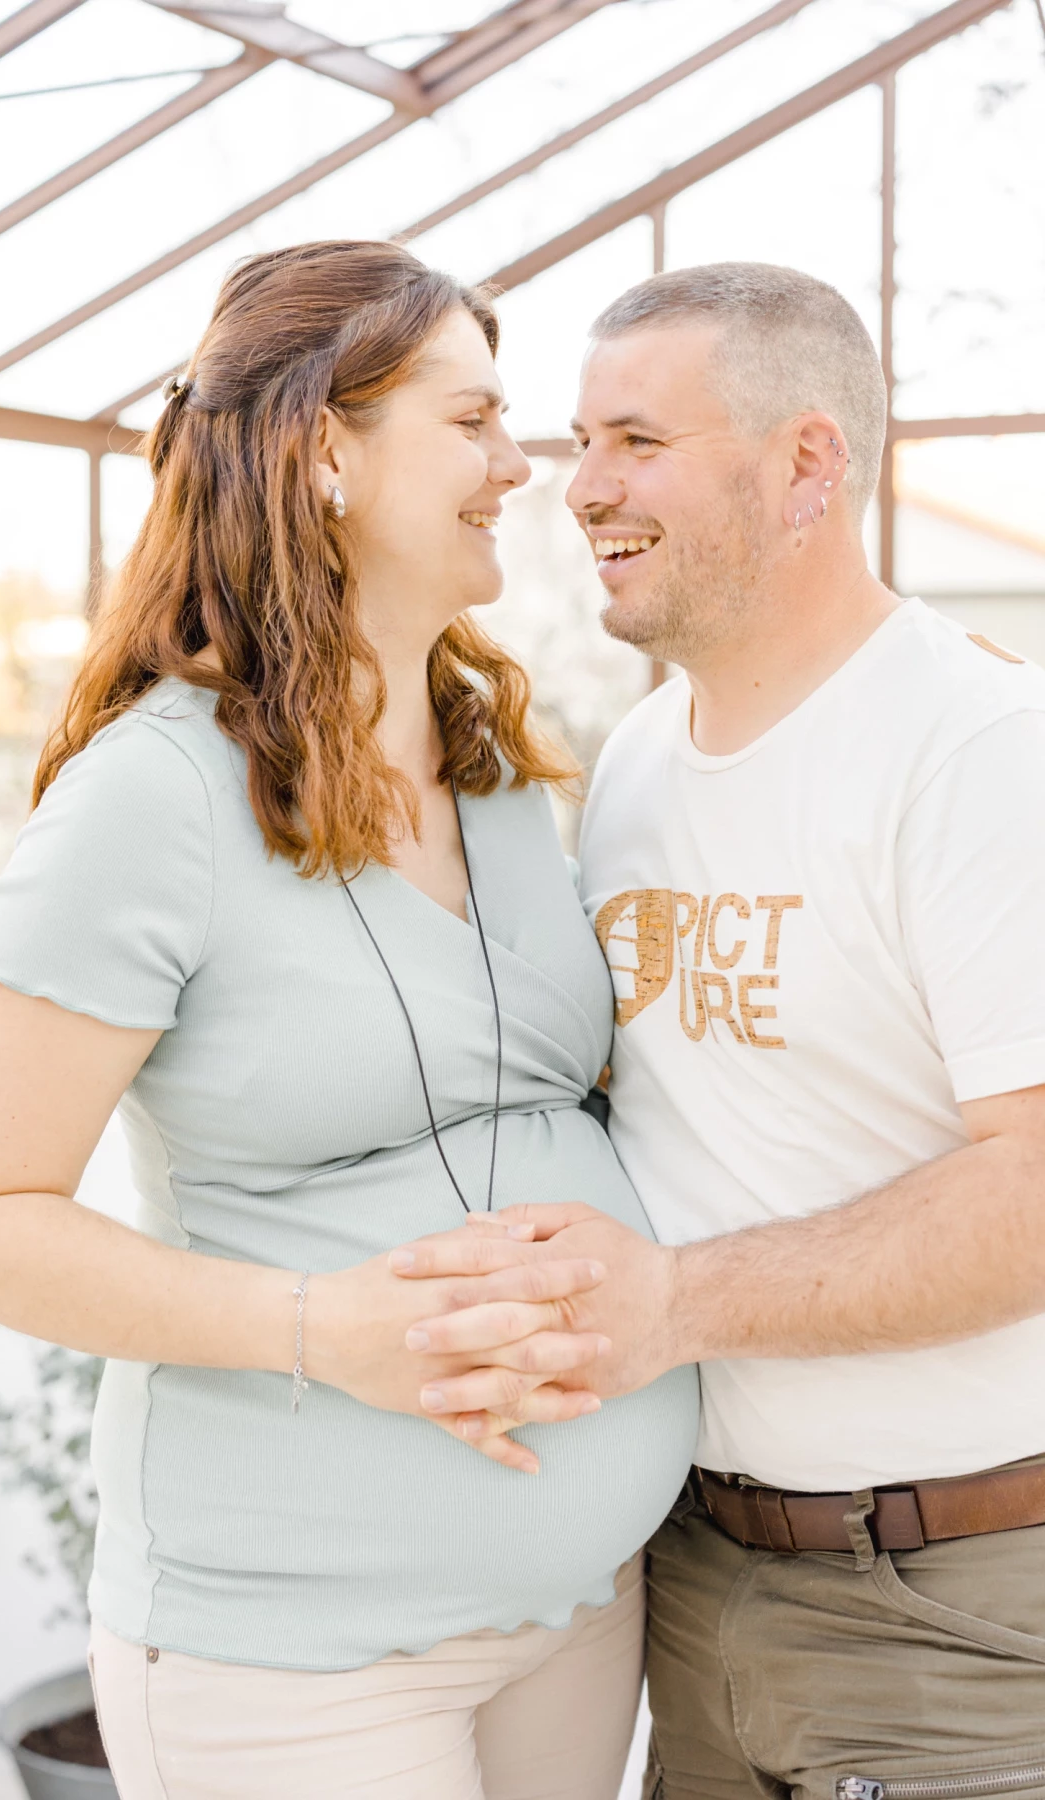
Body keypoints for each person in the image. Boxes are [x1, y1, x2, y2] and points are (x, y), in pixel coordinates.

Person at [0, 240, 698, 1800]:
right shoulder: (153, 799)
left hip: (582, 1606)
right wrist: (323, 1331)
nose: (519, 466)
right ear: (324, 452)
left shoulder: (495, 770)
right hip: (294, 1653)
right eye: (471, 421)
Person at [390, 263, 1045, 1799]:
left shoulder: (981, 750)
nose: (580, 489)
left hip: (946, 1609)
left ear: (806, 463)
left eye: (638, 441)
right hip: (687, 1582)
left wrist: (671, 1303)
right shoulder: (634, 762)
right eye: (580, 442)